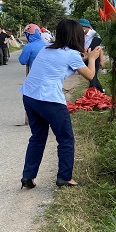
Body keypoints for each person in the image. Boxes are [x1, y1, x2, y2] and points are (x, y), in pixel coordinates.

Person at [19, 19, 101, 189]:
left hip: (30, 97)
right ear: (76, 36)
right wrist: (92, 58)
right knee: (66, 139)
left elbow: (61, 64)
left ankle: (28, 176)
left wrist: (84, 57)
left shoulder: (46, 48)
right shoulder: (71, 55)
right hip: (50, 101)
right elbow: (90, 75)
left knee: (37, 137)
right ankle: (64, 178)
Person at [78, 18, 105, 92]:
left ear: (87, 27)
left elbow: (100, 48)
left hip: (95, 58)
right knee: (90, 76)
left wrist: (101, 60)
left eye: (81, 27)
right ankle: (98, 90)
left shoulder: (94, 35)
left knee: (93, 76)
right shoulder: (79, 35)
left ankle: (94, 91)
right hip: (85, 57)